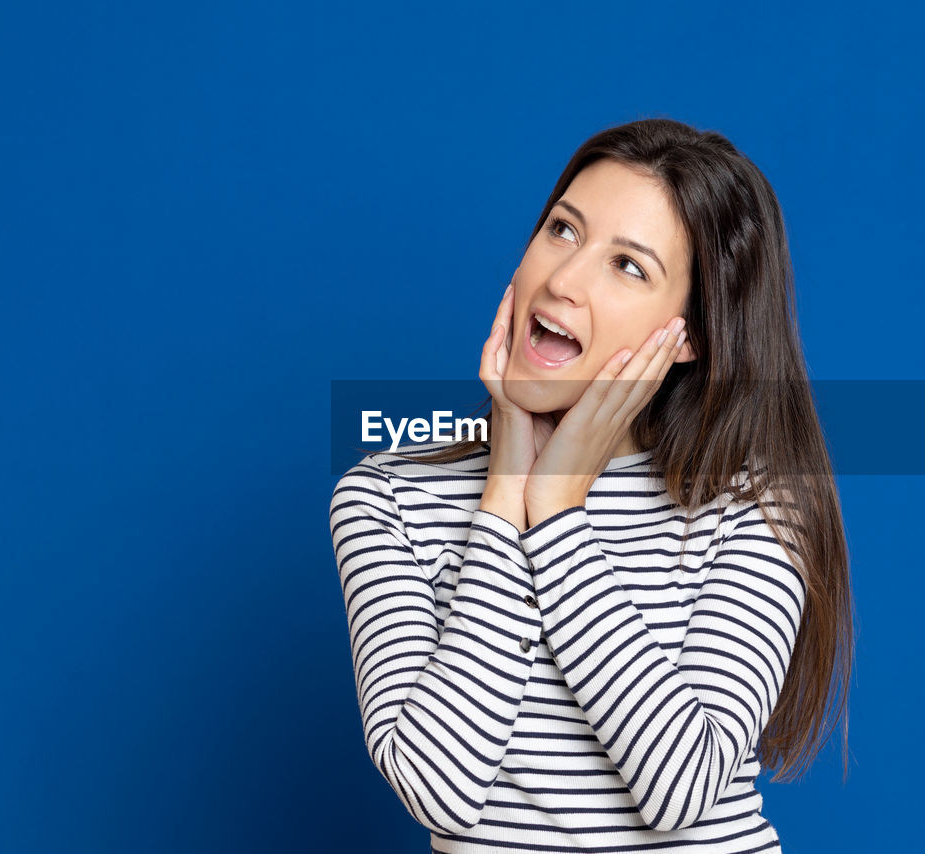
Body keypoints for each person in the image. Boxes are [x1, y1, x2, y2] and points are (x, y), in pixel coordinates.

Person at [329, 118, 853, 853]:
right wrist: (506, 494)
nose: (563, 281)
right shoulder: (385, 498)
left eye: (628, 266)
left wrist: (559, 511)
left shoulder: (758, 508)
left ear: (692, 334)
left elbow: (682, 790)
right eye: (562, 231)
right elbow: (438, 789)